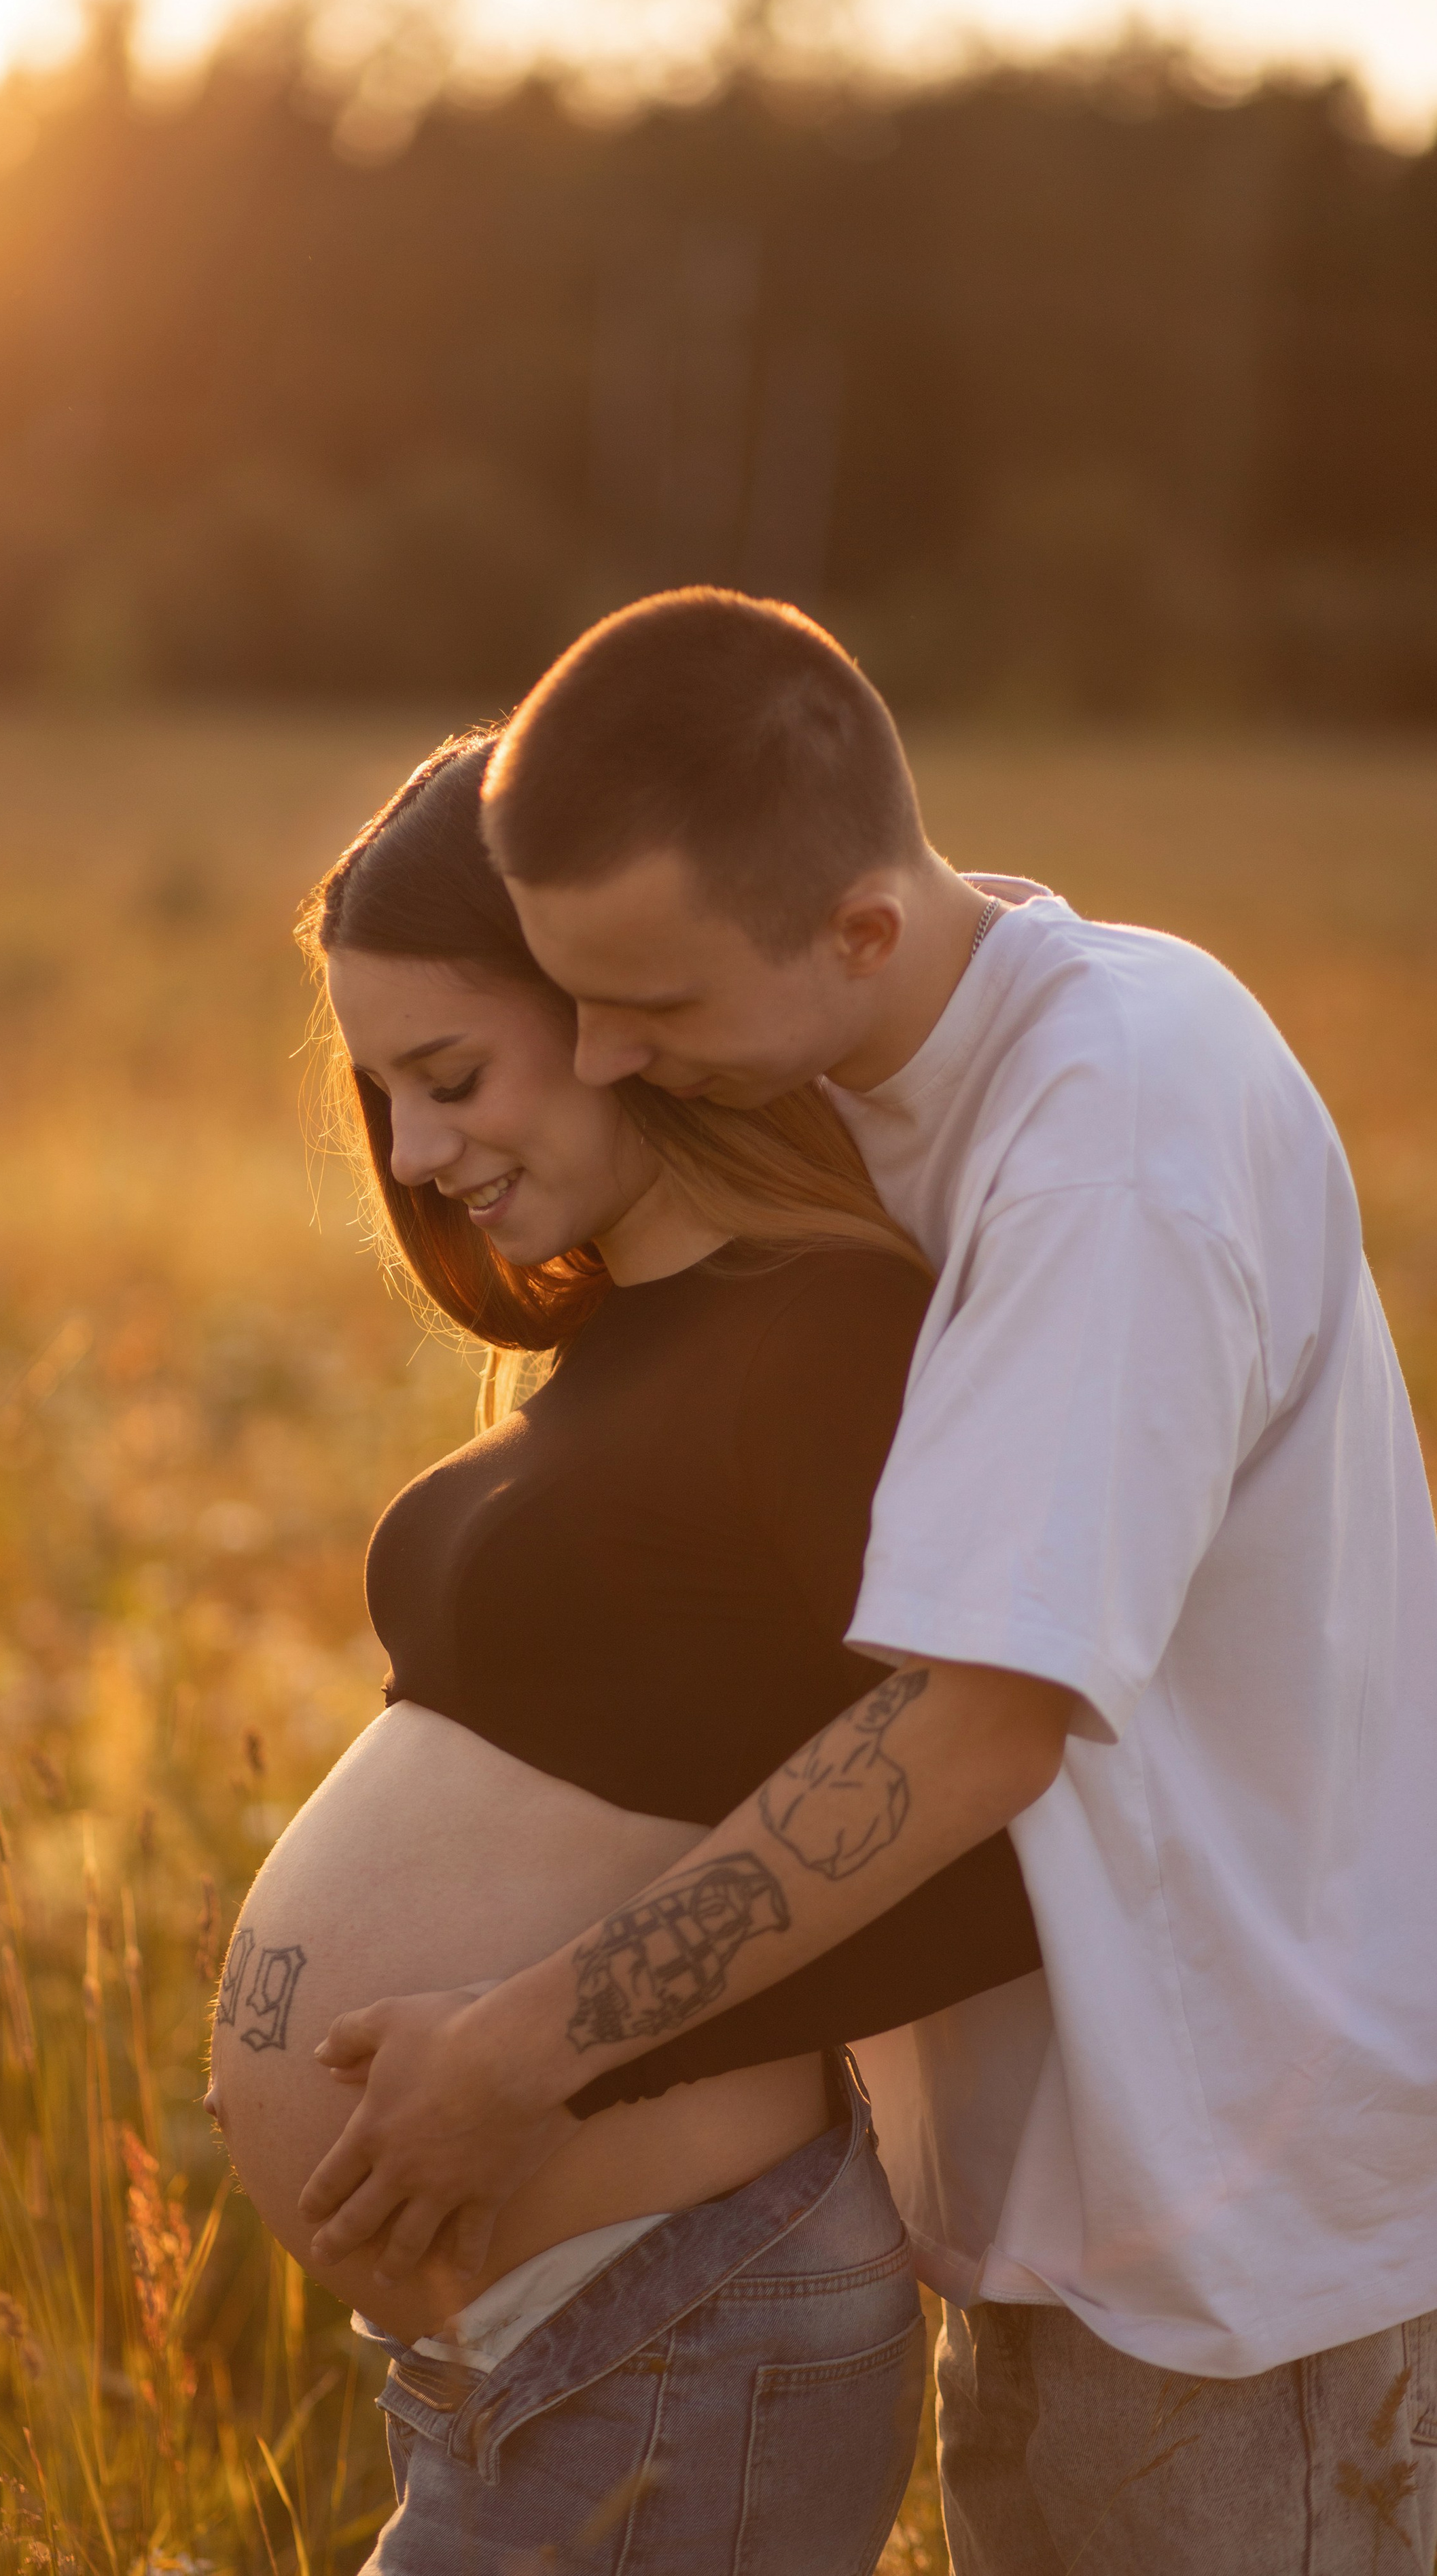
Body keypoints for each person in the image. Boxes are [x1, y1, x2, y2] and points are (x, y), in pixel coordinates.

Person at [298, 593, 1437, 2576]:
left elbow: (977, 1727)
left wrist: (524, 2053)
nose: (606, 1054)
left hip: (1249, 2259)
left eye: (649, 1010)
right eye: (572, 1001)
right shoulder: (856, 1084)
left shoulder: (1113, 1134)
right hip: (1062, 2214)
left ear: (859, 937)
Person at [206, 730, 1043, 2575]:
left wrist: (545, 2053)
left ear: (610, 1007)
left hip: (680, 2320)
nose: (416, 1155)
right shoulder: (625, 1344)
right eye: (383, 1098)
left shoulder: (831, 1330)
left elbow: (989, 1826)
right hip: (568, 2343)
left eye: (448, 1077)